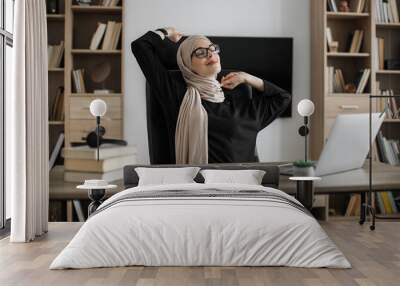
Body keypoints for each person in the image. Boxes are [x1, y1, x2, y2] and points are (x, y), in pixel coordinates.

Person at [131, 27, 292, 164]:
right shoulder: (177, 95)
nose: (210, 54)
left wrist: (247, 77)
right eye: (200, 52)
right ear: (187, 63)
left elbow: (283, 98)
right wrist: (167, 31)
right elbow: (140, 46)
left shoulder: (242, 105)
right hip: (195, 191)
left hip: (241, 191)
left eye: (213, 49)